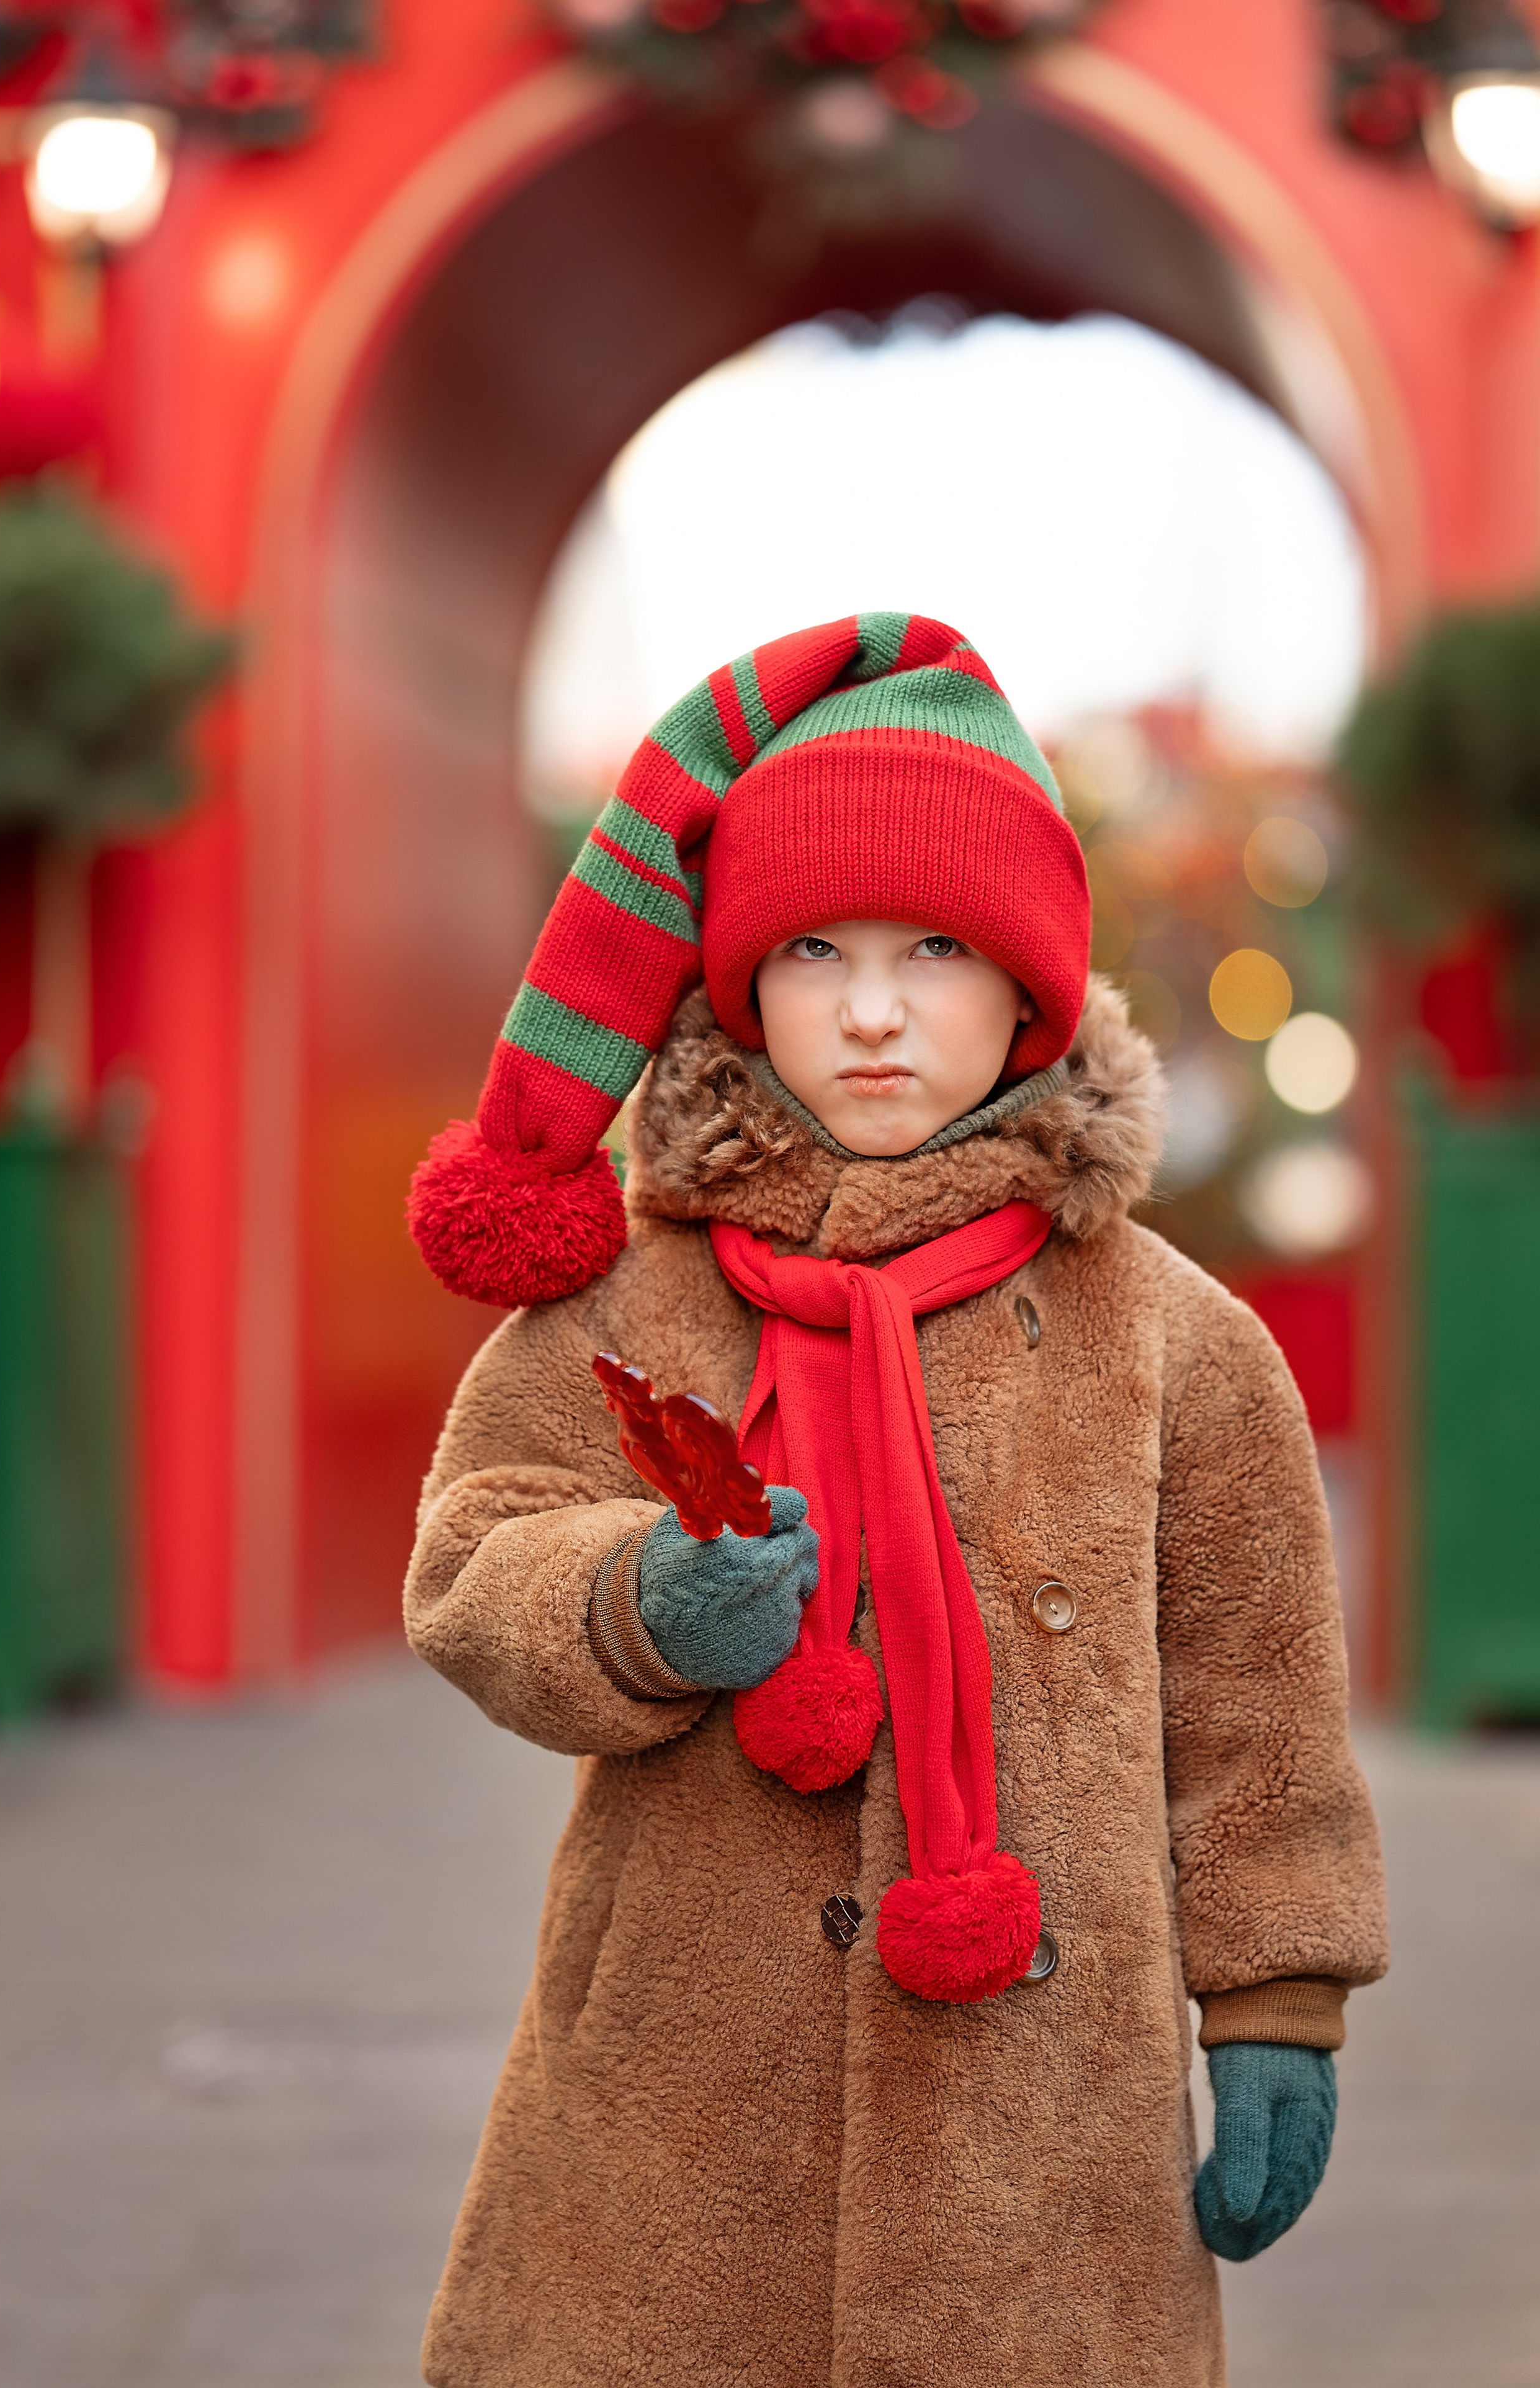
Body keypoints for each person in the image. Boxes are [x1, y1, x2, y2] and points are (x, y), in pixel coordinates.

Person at [403, 613, 1387, 2388]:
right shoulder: (633, 1296)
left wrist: (1275, 2002)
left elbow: (1258, 1707)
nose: (870, 1010)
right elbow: (473, 1559)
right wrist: (633, 1595)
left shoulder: (1176, 1341)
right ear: (736, 985)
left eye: (935, 948)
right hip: (675, 2112)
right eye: (812, 952)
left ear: (1028, 989)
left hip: (1045, 2135)